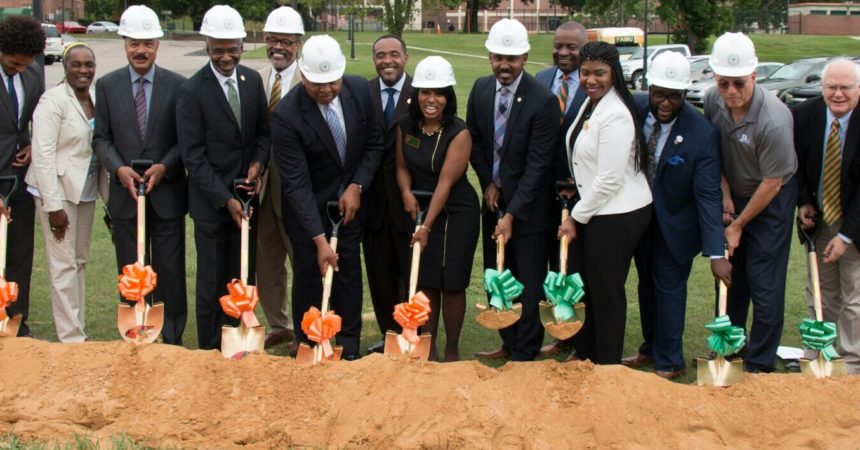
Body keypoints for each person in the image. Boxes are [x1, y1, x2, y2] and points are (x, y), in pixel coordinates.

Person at [272, 35, 383, 361]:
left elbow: (374, 144)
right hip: (308, 212)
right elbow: (296, 184)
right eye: (317, 83)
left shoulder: (360, 90)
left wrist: (357, 186)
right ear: (303, 75)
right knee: (309, 275)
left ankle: (347, 347)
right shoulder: (286, 115)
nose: (326, 90)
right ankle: (308, 341)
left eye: (332, 82)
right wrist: (319, 239)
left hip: (350, 207)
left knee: (348, 274)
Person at [622, 52, 729, 379]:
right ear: (649, 88)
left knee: (668, 288)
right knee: (646, 286)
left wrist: (716, 251)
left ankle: (670, 361)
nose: (665, 102)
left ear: (685, 94)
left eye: (674, 96)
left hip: (677, 226)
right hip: (640, 220)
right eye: (659, 94)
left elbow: (709, 195)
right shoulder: (635, 110)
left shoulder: (701, 133)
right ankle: (650, 348)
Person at [94, 5, 188, 345]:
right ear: (124, 44)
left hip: (166, 196)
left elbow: (184, 140)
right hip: (125, 197)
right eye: (134, 43)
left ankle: (173, 337)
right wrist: (118, 169)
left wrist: (165, 166)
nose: (141, 50)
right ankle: (135, 332)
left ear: (157, 46)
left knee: (171, 272)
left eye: (148, 43)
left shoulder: (178, 86)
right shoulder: (106, 86)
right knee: (130, 271)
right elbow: (101, 138)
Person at [703, 32, 798, 373]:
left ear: (754, 76)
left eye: (739, 83)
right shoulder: (712, 100)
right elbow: (715, 154)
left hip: (771, 197)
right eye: (724, 83)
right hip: (735, 192)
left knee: (764, 278)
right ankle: (730, 350)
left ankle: (759, 362)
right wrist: (726, 197)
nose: (731, 92)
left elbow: (773, 183)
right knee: (730, 275)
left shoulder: (774, 119)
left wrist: (739, 225)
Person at [177, 5, 270, 350]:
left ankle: (240, 341)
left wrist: (259, 166)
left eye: (232, 48)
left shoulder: (252, 81)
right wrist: (225, 199)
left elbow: (263, 134)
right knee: (213, 280)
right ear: (207, 45)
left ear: (242, 46)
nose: (226, 56)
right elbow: (194, 158)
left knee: (244, 276)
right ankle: (210, 350)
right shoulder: (191, 91)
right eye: (218, 49)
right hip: (212, 204)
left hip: (247, 200)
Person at [469, 19, 560, 362]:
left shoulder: (543, 101)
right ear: (489, 56)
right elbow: (476, 143)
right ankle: (507, 340)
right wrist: (487, 183)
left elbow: (538, 167)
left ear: (525, 57)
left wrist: (511, 213)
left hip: (530, 209)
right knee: (498, 274)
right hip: (494, 204)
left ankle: (525, 349)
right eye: (497, 57)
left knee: (529, 278)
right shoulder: (480, 89)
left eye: (512, 58)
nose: (504, 65)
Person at [558, 41, 652, 365]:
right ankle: (586, 354)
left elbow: (610, 180)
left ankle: (607, 365)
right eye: (585, 73)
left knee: (606, 290)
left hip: (618, 213)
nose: (591, 80)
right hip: (597, 207)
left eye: (600, 73)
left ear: (614, 74)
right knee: (585, 285)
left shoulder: (617, 114)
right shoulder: (592, 102)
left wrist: (574, 218)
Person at [395, 56, 479, 362]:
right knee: (427, 281)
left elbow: (445, 183)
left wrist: (426, 228)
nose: (432, 100)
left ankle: (452, 350)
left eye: (440, 93)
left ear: (449, 97)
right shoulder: (406, 125)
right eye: (425, 92)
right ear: (416, 95)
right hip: (419, 209)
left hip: (455, 213)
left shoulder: (459, 133)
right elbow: (402, 166)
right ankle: (428, 349)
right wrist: (405, 191)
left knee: (452, 281)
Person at [27, 43, 106, 343]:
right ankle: (70, 338)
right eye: (76, 64)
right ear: (65, 66)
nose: (83, 70)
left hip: (84, 192)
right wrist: (52, 207)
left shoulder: (96, 98)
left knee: (80, 261)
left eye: (89, 64)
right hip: (57, 193)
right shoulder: (53, 101)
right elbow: (43, 154)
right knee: (62, 264)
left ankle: (77, 328)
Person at [794, 58, 860, 374]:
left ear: (857, 88)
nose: (837, 94)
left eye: (845, 87)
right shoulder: (805, 115)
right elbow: (797, 165)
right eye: (830, 87)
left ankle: (850, 365)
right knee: (821, 292)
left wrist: (846, 236)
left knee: (854, 296)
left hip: (856, 222)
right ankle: (819, 356)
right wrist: (804, 201)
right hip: (820, 220)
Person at [534, 20, 589, 359]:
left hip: (580, 190)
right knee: (554, 264)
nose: (564, 52)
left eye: (571, 47)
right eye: (558, 45)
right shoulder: (541, 80)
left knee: (576, 265)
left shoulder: (594, 82)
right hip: (543, 188)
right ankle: (560, 332)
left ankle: (578, 338)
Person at [256, 6, 304, 350]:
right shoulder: (254, 79)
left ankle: (307, 326)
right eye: (273, 40)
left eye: (286, 42)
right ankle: (279, 323)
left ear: (298, 44)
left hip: (295, 186)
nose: (278, 47)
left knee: (299, 255)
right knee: (266, 258)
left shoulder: (310, 79)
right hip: (260, 185)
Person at [364, 34, 413, 354]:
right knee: (380, 274)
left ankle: (412, 333)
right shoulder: (363, 91)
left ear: (405, 58)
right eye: (380, 55)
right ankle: (388, 335)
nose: (387, 61)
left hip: (409, 201)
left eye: (394, 54)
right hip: (372, 203)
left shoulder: (421, 91)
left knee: (410, 272)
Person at [0, 16, 44, 338]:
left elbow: (29, 120)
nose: (19, 69)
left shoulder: (33, 73)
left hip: (19, 179)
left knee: (19, 253)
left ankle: (16, 319)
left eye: (24, 64)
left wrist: (30, 143)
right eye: (14, 64)